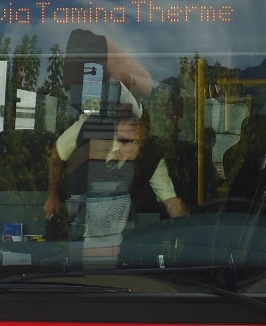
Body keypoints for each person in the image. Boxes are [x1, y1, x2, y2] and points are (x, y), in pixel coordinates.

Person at [43, 106, 186, 249]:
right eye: (123, 140)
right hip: (67, 222)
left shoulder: (152, 157)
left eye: (138, 141)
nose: (130, 145)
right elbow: (57, 154)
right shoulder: (87, 128)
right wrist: (52, 195)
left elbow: (171, 202)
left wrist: (186, 233)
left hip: (113, 240)